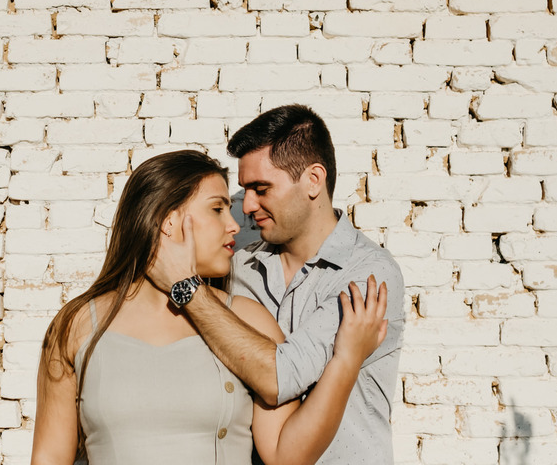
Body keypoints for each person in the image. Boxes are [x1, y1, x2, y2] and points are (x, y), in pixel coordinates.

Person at [31, 149, 389, 465]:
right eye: (218, 209)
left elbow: (287, 455)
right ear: (168, 221)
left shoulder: (247, 318)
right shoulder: (76, 326)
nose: (235, 225)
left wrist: (346, 360)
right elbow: (49, 457)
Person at [148, 105, 405, 464]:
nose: (248, 205)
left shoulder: (367, 275)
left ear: (314, 180)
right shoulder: (237, 266)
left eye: (261, 188)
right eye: (245, 190)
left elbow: (281, 377)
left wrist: (187, 287)